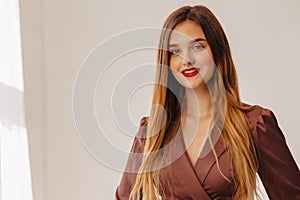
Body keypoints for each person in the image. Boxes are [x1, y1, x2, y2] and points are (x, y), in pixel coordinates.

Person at [115, 5, 300, 200]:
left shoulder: (254, 125)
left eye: (197, 46)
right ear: (166, 62)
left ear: (217, 51)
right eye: (175, 51)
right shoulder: (152, 132)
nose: (186, 59)